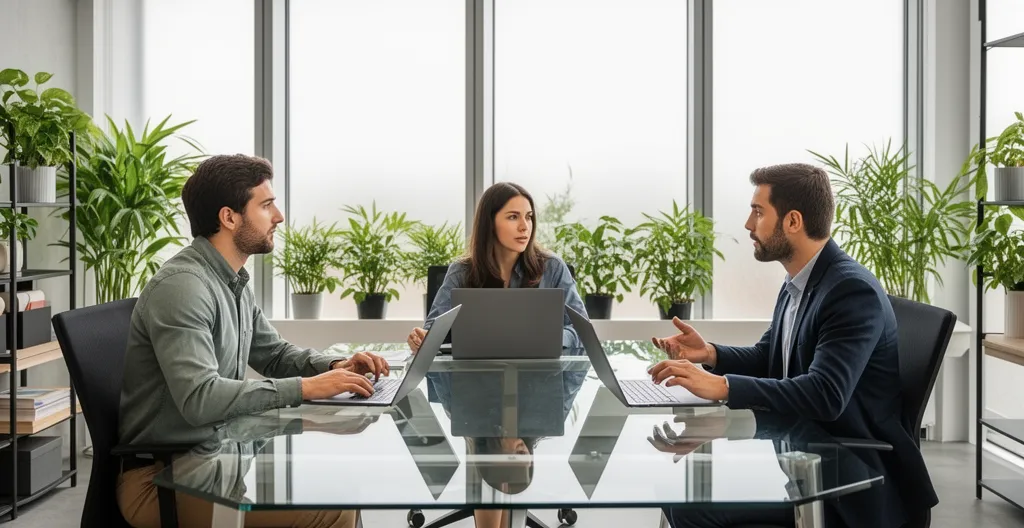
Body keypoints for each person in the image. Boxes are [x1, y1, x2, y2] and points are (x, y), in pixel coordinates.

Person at [648, 163, 937, 528]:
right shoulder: (798, 283)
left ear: (793, 221)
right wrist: (710, 354)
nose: (748, 225)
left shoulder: (850, 291)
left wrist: (723, 386)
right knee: (682, 489)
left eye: (758, 212)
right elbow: (771, 356)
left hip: (846, 479)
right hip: (798, 455)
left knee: (692, 505)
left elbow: (825, 394)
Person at [117, 154, 390, 528]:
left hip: (214, 460)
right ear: (229, 217)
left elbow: (274, 354)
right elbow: (199, 399)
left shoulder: (232, 281)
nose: (278, 216)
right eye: (266, 205)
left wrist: (334, 367)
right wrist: (307, 388)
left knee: (341, 487)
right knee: (335, 512)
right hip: (163, 481)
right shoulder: (183, 287)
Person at [407, 182, 587, 352]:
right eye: (513, 217)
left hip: (540, 378)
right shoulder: (461, 271)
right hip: (476, 378)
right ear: (490, 223)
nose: (525, 227)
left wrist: (549, 338)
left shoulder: (553, 267)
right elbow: (433, 332)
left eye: (529, 217)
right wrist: (422, 339)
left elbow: (583, 331)